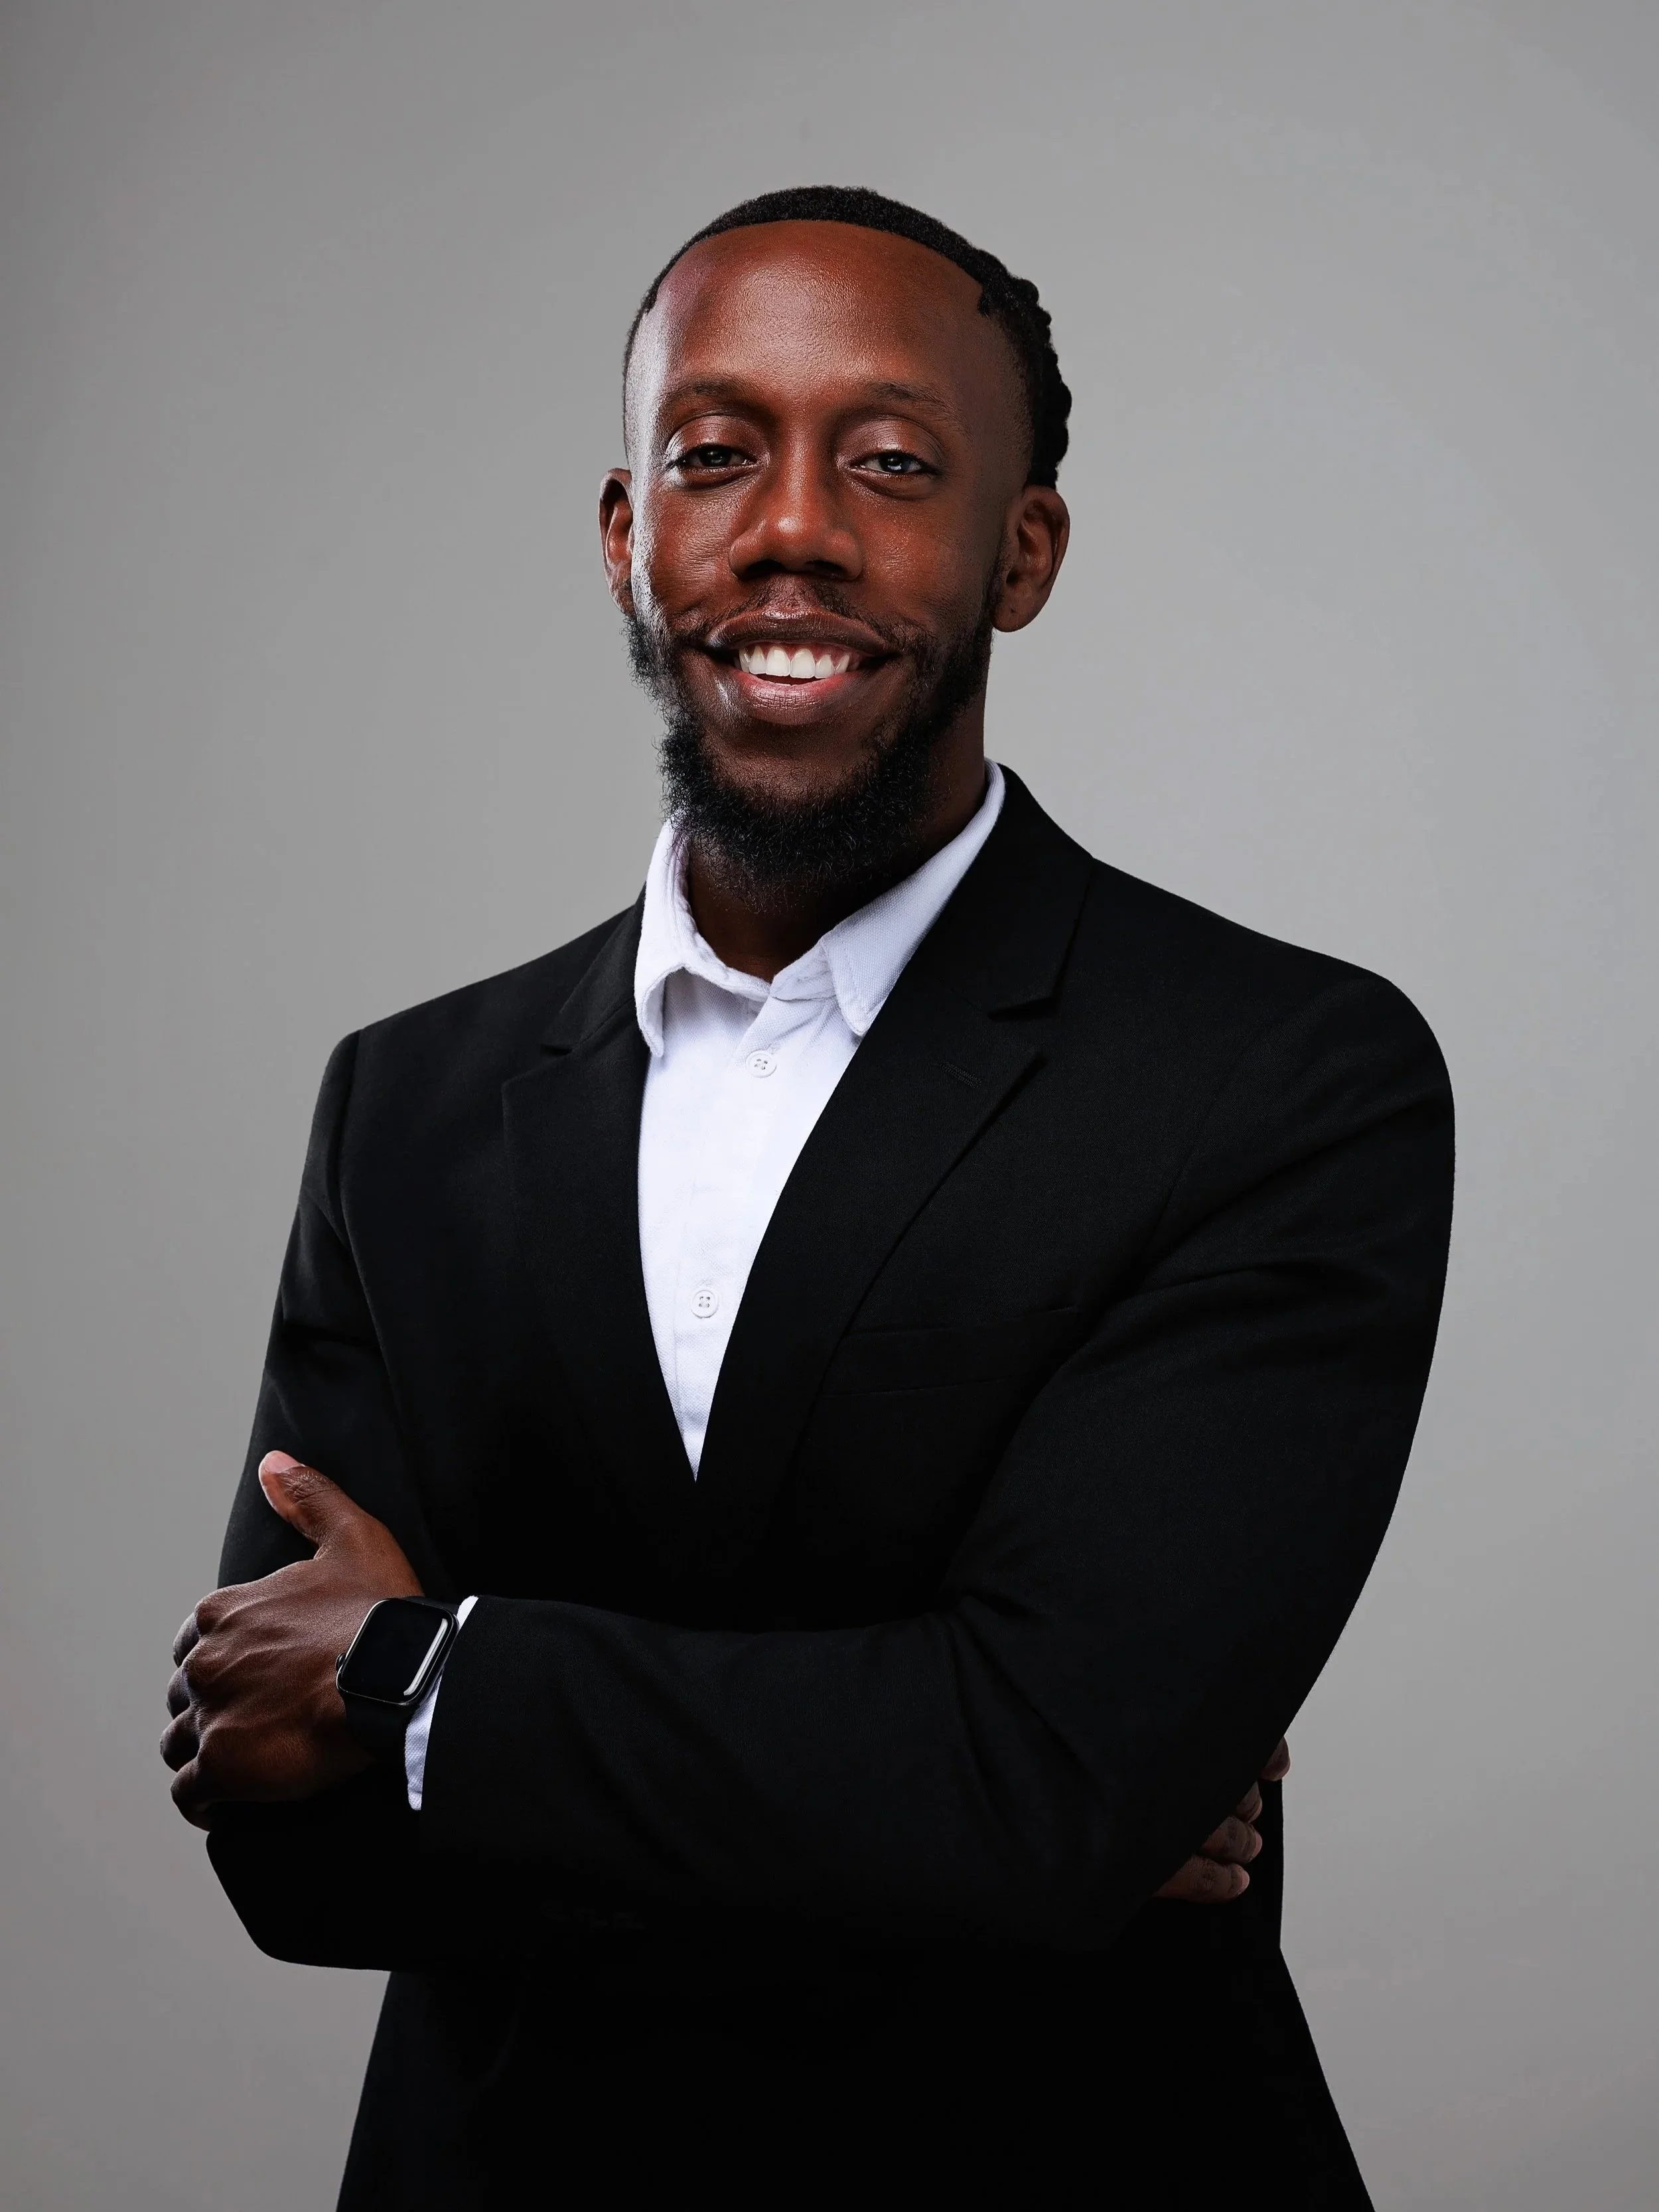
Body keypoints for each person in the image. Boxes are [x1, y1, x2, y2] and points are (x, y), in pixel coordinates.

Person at [161, 186, 1453, 2207]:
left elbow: (1035, 1792)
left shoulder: (1275, 1074)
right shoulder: (405, 1107)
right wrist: (939, 1768)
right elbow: (287, 1833)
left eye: (891, 463)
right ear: (625, 532)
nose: (791, 530)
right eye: (713, 453)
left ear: (1018, 553)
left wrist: (423, 1679)